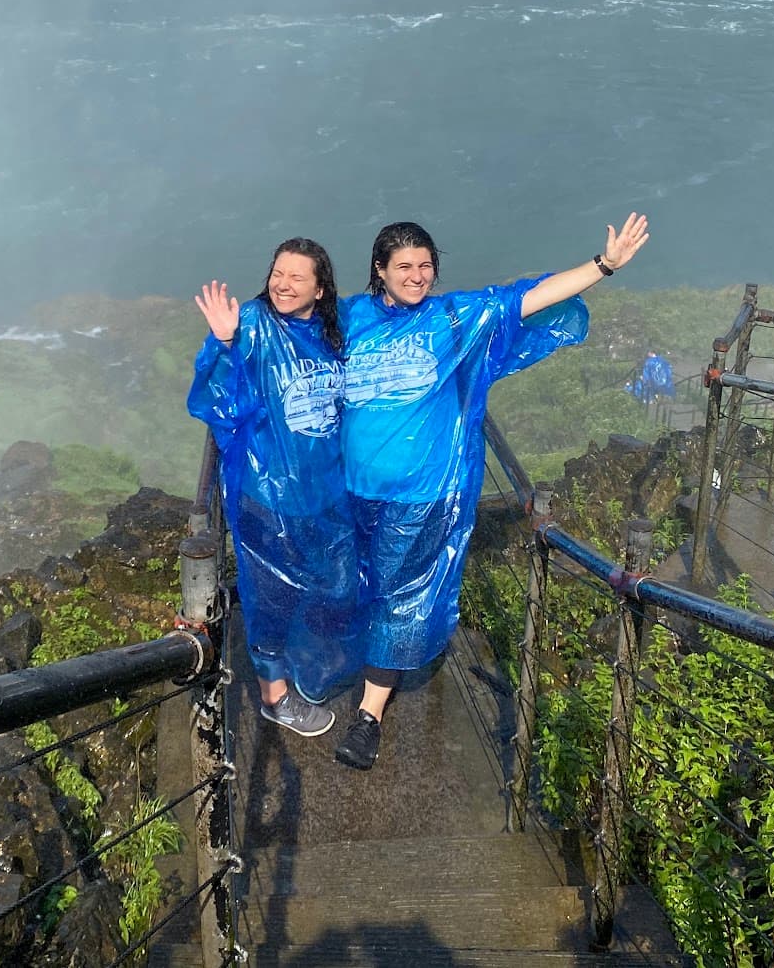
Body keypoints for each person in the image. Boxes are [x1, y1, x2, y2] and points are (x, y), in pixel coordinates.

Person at [333, 213, 650, 770]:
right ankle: (353, 669)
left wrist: (604, 265)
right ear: (378, 270)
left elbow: (528, 297)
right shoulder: (349, 319)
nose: (417, 275)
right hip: (351, 489)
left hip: (422, 494)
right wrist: (230, 331)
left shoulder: (454, 318)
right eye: (404, 266)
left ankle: (368, 717)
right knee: (357, 586)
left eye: (426, 265)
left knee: (398, 595)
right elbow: (292, 332)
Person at [188, 238, 359, 737]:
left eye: (297, 276)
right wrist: (222, 342)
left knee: (335, 585)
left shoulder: (335, 331)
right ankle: (274, 697)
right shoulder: (253, 326)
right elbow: (213, 395)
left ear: (320, 288)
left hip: (325, 492)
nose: (283, 284)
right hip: (267, 497)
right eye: (277, 273)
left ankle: (305, 667)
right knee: (272, 599)